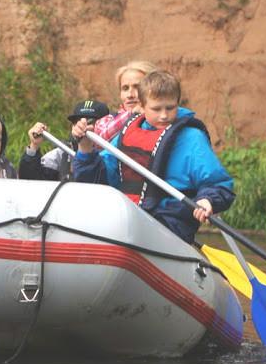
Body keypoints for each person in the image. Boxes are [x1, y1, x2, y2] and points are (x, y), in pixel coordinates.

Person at [72, 70, 235, 243]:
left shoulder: (191, 138)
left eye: (170, 108)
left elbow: (218, 184)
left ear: (177, 104)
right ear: (141, 107)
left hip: (171, 225)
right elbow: (96, 178)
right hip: (128, 221)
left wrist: (208, 200)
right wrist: (85, 147)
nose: (164, 115)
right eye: (156, 109)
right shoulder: (128, 132)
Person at [19, 100, 109, 181]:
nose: (82, 126)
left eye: (90, 122)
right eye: (76, 122)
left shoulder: (114, 155)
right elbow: (29, 180)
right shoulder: (62, 154)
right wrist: (33, 147)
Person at [92, 60, 159, 142]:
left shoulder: (167, 116)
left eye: (137, 87)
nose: (130, 95)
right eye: (125, 88)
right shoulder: (107, 120)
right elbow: (99, 140)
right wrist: (132, 114)